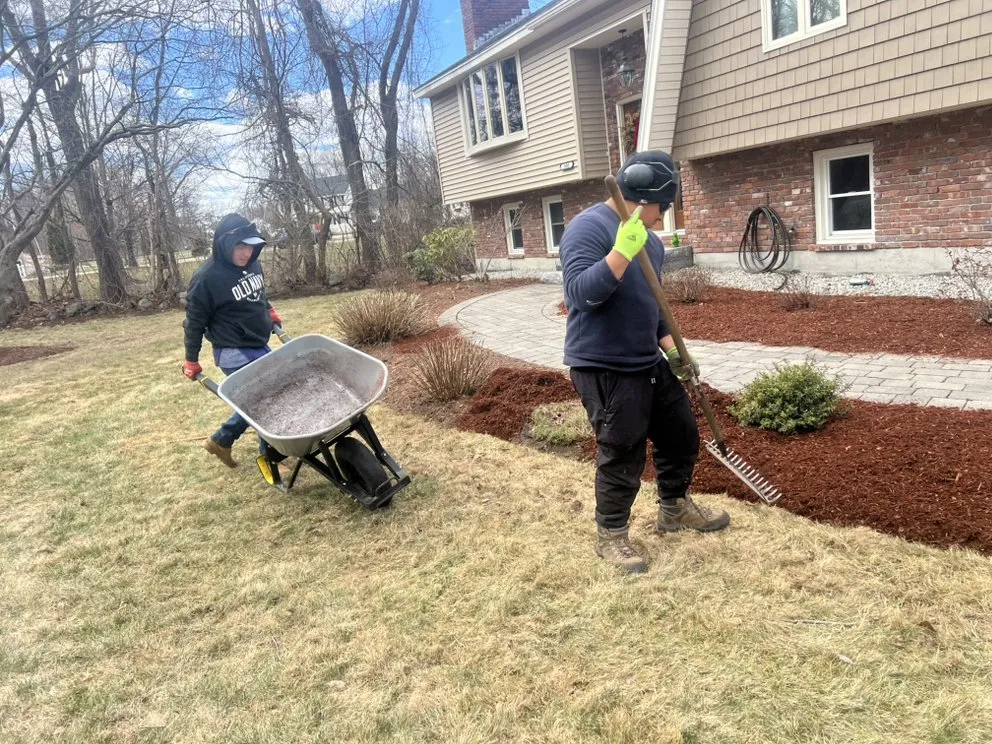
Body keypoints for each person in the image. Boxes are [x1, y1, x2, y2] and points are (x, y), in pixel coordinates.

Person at [560, 151, 730, 575]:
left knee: (681, 433)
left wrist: (672, 350)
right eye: (663, 207)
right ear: (640, 199)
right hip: (603, 364)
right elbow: (580, 295)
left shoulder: (651, 243)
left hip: (646, 360)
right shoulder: (587, 229)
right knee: (623, 451)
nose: (663, 217)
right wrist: (619, 253)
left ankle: (674, 509)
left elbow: (651, 309)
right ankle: (612, 535)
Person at [181, 213, 285, 468]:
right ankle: (269, 455)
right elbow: (194, 322)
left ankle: (222, 440)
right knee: (261, 399)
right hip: (232, 349)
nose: (246, 253)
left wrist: (269, 310)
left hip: (258, 341)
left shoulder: (252, 263)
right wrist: (191, 360)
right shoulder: (206, 278)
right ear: (225, 244)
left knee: (264, 395)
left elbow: (258, 292)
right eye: (240, 247)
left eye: (250, 246)